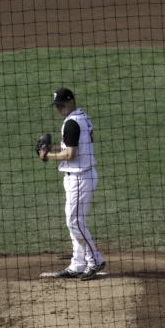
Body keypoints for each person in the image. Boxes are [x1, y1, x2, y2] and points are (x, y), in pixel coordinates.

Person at [38, 87, 106, 281]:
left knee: (74, 222)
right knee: (75, 221)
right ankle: (78, 264)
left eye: (60, 105)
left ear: (70, 101)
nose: (58, 110)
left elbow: (70, 154)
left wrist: (47, 156)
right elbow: (72, 145)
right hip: (81, 176)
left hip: (79, 178)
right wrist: (52, 147)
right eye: (56, 106)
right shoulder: (81, 117)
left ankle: (95, 260)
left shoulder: (71, 124)